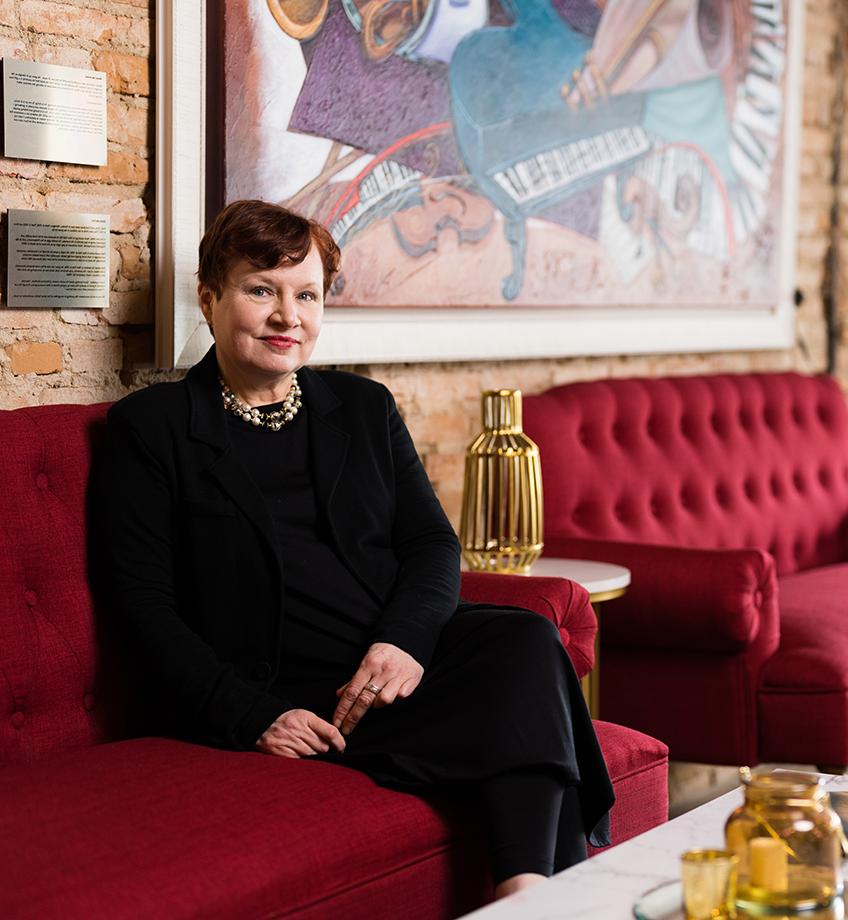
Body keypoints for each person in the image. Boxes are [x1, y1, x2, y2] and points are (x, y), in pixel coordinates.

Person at [93, 199, 612, 899]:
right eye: (260, 290)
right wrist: (253, 715)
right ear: (209, 297)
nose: (288, 317)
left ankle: (521, 893)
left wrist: (403, 642)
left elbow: (431, 542)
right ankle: (545, 898)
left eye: (306, 295)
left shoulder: (362, 408)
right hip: (291, 695)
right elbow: (144, 606)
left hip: (385, 669)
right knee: (523, 691)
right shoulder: (151, 430)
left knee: (525, 641)